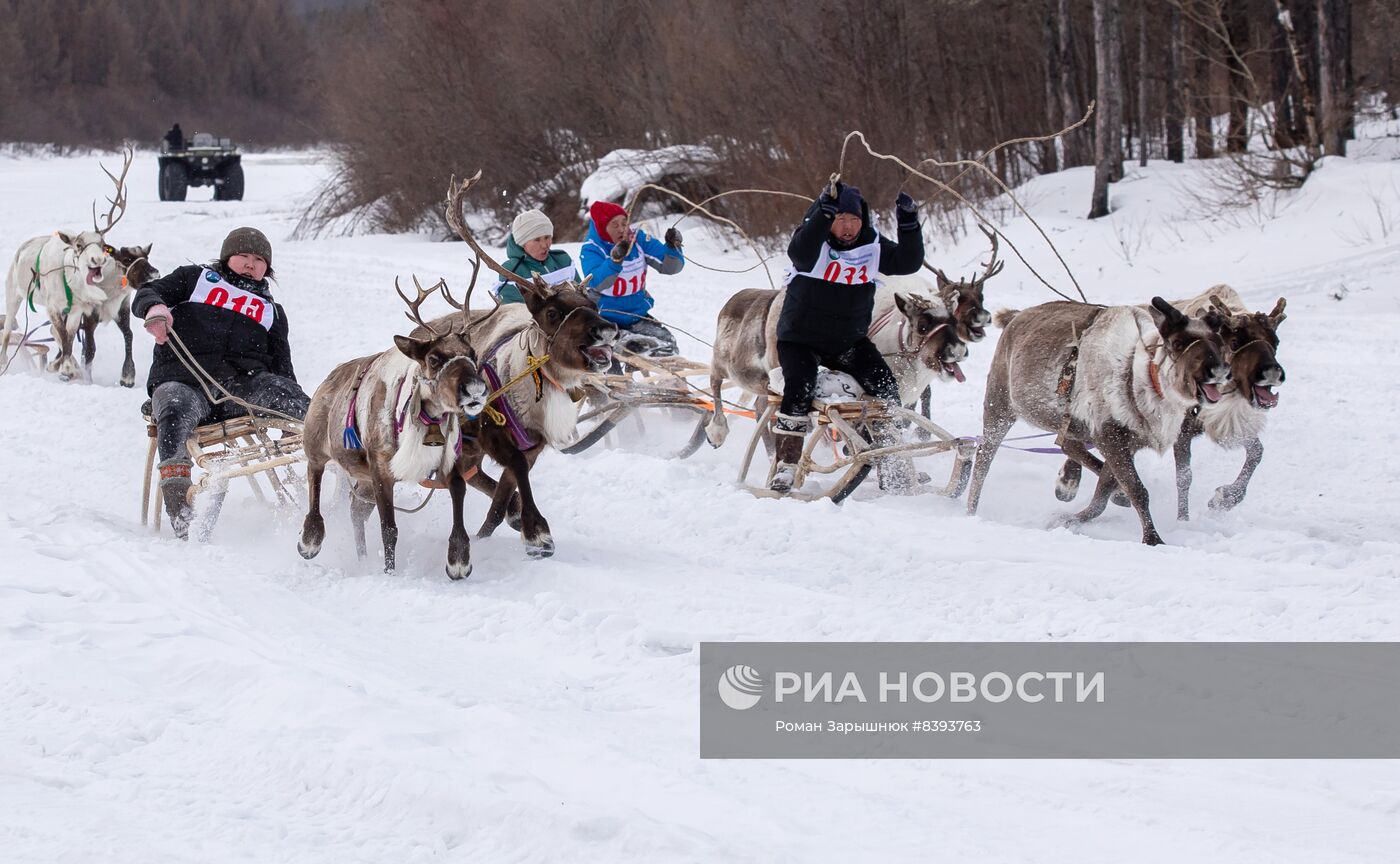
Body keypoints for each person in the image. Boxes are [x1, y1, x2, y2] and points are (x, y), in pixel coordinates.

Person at [133, 227, 310, 538]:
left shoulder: (272, 312)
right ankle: (180, 506)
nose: (250, 263)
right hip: (185, 381)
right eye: (243, 256)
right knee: (173, 407)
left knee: (289, 396)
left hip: (243, 389)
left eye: (259, 259)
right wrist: (156, 310)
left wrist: (289, 404)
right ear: (228, 257)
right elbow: (149, 291)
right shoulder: (193, 279)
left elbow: (282, 365)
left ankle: (340, 455)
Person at [769, 181, 924, 493]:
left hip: (847, 342)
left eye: (854, 219)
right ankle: (786, 465)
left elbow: (908, 262)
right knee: (799, 388)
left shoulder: (871, 246)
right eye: (841, 219)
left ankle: (891, 461)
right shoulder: (812, 243)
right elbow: (799, 256)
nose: (849, 227)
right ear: (829, 219)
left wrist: (908, 223)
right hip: (800, 338)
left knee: (885, 386)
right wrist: (820, 218)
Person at [577, 200, 685, 356]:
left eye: (624, 223)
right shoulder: (592, 249)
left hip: (636, 314)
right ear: (602, 228)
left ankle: (670, 380)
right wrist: (615, 261)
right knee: (628, 348)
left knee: (667, 344)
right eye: (615, 225)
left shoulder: (638, 239)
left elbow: (669, 267)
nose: (622, 229)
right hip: (604, 319)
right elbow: (598, 283)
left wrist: (673, 247)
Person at [493, 208, 576, 304]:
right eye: (537, 239)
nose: (544, 245)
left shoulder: (563, 260)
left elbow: (582, 296)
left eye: (547, 237)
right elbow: (512, 312)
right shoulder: (512, 270)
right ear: (522, 243)